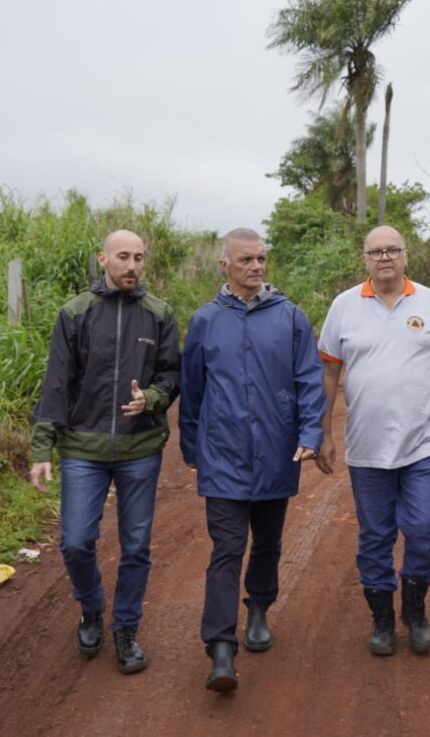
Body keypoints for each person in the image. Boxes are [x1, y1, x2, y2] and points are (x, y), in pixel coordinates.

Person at [180, 227, 325, 693]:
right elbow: (192, 390)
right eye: (246, 260)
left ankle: (259, 606)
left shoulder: (291, 317)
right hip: (222, 454)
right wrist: (191, 446)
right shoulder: (204, 320)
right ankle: (221, 647)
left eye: (261, 258)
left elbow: (308, 379)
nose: (257, 267)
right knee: (226, 549)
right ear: (224, 266)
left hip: (276, 451)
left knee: (267, 542)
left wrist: (310, 432)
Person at [29, 230, 181, 675]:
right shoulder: (75, 312)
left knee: (135, 545)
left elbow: (172, 374)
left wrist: (151, 399)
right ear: (103, 259)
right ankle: (92, 607)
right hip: (82, 448)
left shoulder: (159, 314)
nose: (132, 265)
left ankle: (126, 628)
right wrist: (43, 447)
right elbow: (56, 382)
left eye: (138, 257)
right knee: (76, 542)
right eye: (122, 257)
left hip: (141, 449)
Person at [316, 225, 430, 656]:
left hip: (424, 444)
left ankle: (414, 611)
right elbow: (328, 371)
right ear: (364, 258)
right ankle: (382, 619)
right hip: (366, 448)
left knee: (424, 528)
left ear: (405, 255)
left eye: (392, 250)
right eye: (375, 251)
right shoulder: (344, 306)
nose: (384, 258)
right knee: (375, 535)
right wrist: (322, 432)